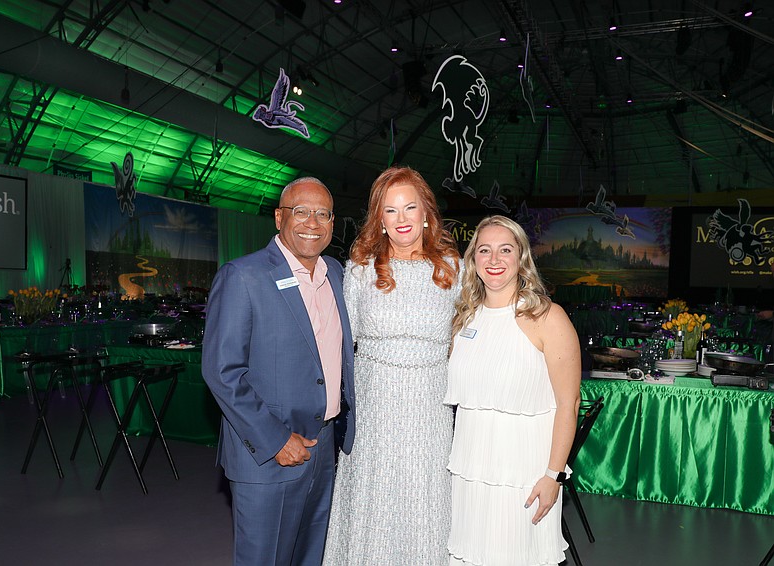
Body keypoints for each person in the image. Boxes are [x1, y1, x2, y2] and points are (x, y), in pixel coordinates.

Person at [202, 177, 356, 566]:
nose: (312, 222)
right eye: (300, 211)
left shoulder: (336, 274)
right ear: (278, 217)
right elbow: (222, 372)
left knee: (311, 556)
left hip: (324, 449)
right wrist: (275, 439)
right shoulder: (243, 276)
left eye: (323, 214)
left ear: (333, 223)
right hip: (269, 453)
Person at [323, 165, 461, 565]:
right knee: (375, 500)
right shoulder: (360, 269)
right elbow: (341, 345)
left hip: (430, 410)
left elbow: (468, 335)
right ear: (379, 219)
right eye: (390, 211)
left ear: (426, 214)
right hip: (374, 411)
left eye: (410, 208)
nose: (402, 219)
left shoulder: (454, 268)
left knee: (425, 501)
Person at [446, 215, 581, 565]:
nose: (494, 260)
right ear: (472, 260)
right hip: (470, 471)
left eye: (505, 250)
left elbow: (569, 404)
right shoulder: (463, 319)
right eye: (484, 250)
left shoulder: (548, 317)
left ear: (521, 257)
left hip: (524, 474)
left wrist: (554, 476)